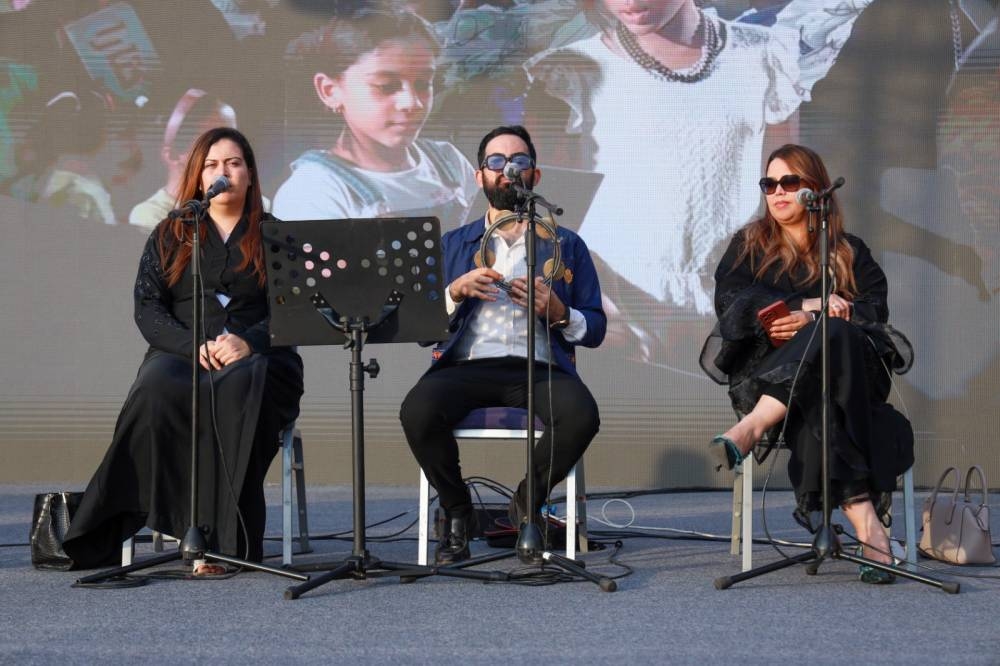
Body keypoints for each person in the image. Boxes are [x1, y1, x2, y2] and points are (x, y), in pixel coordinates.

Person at [525, 0, 872, 366]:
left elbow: (787, 194)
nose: (631, 2)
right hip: (619, 304)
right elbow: (549, 209)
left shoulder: (764, 55)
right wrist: (596, 307)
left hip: (734, 298)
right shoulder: (570, 70)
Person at [63, 127, 304, 573]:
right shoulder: (171, 232)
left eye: (233, 163)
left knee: (238, 388)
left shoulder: (276, 234)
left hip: (260, 359)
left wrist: (248, 341)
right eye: (212, 165)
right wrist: (192, 346)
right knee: (154, 387)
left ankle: (222, 541)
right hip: (184, 354)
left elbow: (295, 308)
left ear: (250, 174)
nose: (223, 172)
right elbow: (148, 308)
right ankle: (148, 521)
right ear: (197, 177)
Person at [700, 144, 915, 584]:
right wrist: (806, 306)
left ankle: (755, 425)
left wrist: (818, 320)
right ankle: (871, 534)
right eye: (769, 184)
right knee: (818, 403)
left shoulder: (850, 251)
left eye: (789, 182)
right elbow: (731, 302)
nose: (777, 192)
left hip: (854, 377)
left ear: (815, 189)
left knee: (834, 333)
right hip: (770, 370)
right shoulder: (749, 245)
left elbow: (875, 311)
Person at [399, 125, 607, 564]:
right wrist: (455, 292)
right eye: (496, 161)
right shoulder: (454, 244)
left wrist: (560, 313)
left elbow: (596, 328)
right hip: (467, 366)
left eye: (519, 161)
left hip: (539, 365)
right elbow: (422, 331)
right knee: (417, 412)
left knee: (582, 415)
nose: (507, 170)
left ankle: (526, 504)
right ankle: (458, 512)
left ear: (535, 175)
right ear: (480, 176)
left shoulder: (567, 244)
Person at [273, 7, 478, 229]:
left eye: (423, 84)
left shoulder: (448, 162)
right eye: (386, 86)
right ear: (330, 90)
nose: (412, 103)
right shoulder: (313, 191)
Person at [129, 88, 272, 229]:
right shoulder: (148, 216)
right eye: (211, 143)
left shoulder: (257, 205)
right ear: (172, 154)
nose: (226, 151)